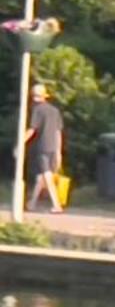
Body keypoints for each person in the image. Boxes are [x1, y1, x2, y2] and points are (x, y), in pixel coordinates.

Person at [23, 84, 64, 214]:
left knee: (47, 176)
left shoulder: (37, 110)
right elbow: (58, 132)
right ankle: (32, 203)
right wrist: (58, 151)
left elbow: (32, 129)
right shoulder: (54, 110)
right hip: (53, 146)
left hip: (42, 146)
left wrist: (20, 142)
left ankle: (56, 204)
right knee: (42, 176)